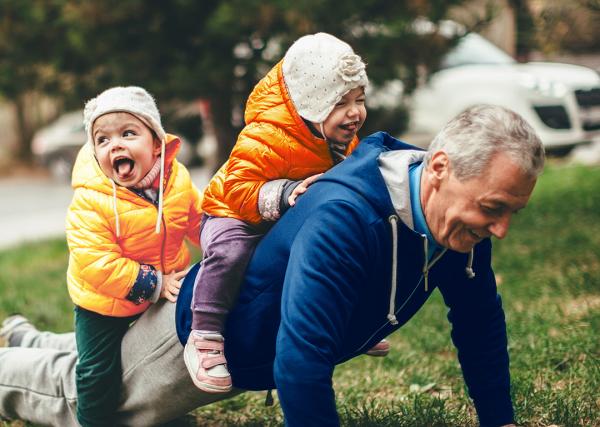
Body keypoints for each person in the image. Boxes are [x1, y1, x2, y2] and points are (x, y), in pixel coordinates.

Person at [0, 104, 544, 427]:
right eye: (494, 210)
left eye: (512, 213)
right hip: (201, 333)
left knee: (106, 357)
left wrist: (500, 419)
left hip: (234, 323)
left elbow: (479, 325)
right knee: (82, 397)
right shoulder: (347, 216)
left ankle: (20, 336)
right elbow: (300, 361)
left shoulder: (455, 217)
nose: (499, 229)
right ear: (440, 168)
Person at [186, 32, 372, 393]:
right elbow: (237, 189)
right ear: (310, 104)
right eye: (340, 103)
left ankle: (351, 318)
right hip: (232, 211)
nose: (354, 112)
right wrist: (284, 193)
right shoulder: (265, 135)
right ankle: (205, 333)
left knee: (337, 244)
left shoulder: (340, 137)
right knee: (231, 251)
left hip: (286, 214)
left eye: (359, 99)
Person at [65, 86, 202, 426]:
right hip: (103, 300)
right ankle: (95, 420)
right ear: (95, 152)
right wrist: (155, 282)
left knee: (168, 359)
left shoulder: (177, 181)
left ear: (157, 143)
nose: (116, 145)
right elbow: (96, 262)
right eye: (103, 139)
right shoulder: (91, 199)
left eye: (128, 133)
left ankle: (162, 413)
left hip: (161, 286)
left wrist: (223, 242)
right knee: (97, 370)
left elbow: (198, 220)